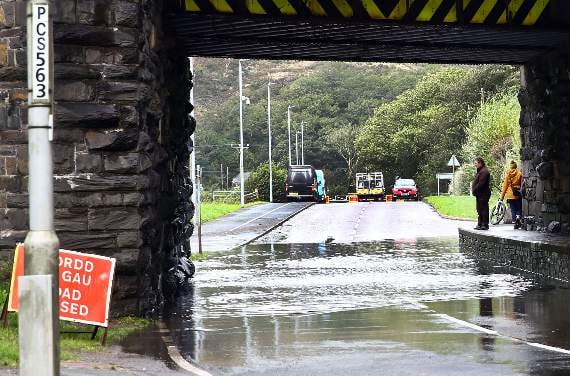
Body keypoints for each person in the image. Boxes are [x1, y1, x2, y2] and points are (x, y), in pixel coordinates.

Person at [472, 157, 491, 230]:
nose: (475, 165)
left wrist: (474, 190)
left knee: (483, 209)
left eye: (476, 163)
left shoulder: (484, 172)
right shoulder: (480, 171)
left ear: (480, 163)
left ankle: (484, 224)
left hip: (483, 193)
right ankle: (480, 223)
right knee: (479, 209)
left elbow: (481, 183)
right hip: (479, 194)